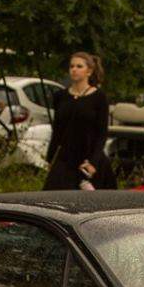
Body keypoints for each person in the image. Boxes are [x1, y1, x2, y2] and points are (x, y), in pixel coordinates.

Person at [42, 51, 111, 190]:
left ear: (89, 71)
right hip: (65, 158)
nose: (74, 69)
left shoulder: (99, 97)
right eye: (71, 66)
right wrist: (50, 159)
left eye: (79, 66)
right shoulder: (60, 96)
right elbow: (57, 131)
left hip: (88, 158)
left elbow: (102, 133)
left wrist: (93, 162)